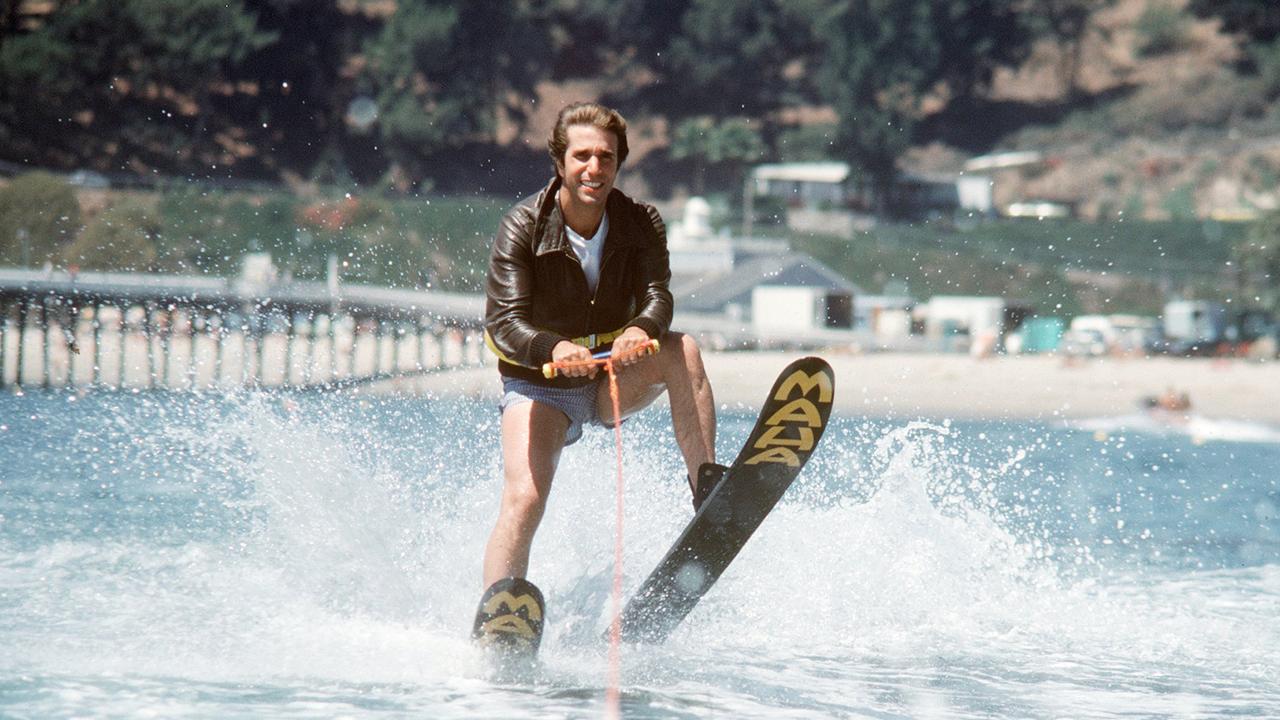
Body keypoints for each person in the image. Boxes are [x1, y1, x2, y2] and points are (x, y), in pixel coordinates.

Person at [480, 102, 722, 591]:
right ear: (560, 163)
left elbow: (658, 295)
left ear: (619, 162)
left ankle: (709, 492)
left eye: (607, 157)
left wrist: (644, 329)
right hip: (539, 386)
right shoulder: (522, 225)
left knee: (683, 349)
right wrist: (552, 348)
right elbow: (504, 322)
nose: (595, 169)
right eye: (583, 156)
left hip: (609, 378)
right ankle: (500, 609)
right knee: (525, 498)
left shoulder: (640, 221)